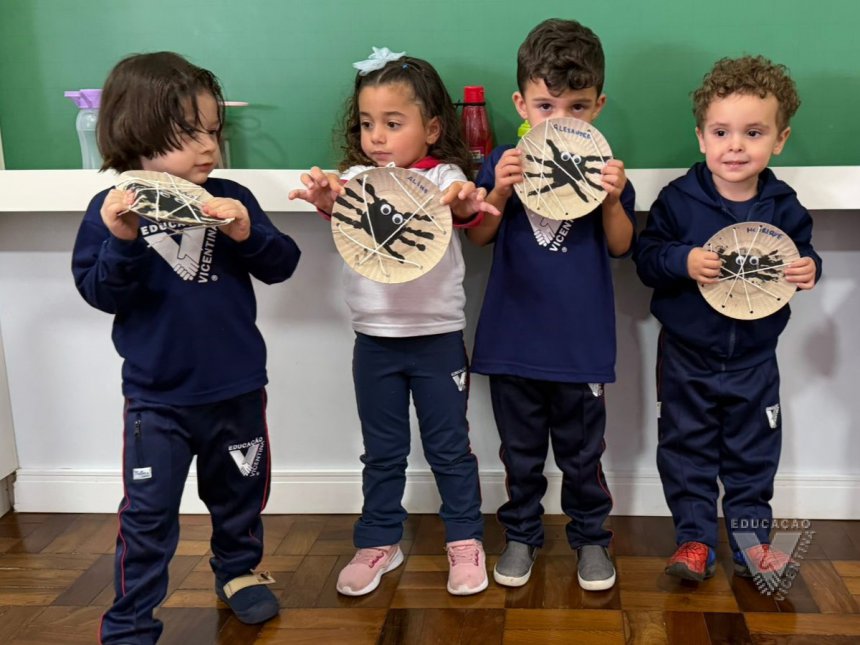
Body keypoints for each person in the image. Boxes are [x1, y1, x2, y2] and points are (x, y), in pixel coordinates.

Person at [71, 52, 301, 644]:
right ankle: (131, 618)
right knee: (148, 515)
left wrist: (246, 232)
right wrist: (123, 242)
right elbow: (100, 293)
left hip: (236, 390)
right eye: (190, 133)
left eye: (214, 131)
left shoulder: (229, 195)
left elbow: (282, 265)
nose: (209, 147)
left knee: (240, 495)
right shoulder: (111, 211)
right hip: (157, 400)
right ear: (136, 132)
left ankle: (238, 572)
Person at [289, 47, 498, 597]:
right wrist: (325, 198)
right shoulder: (358, 177)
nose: (377, 136)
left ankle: (464, 539)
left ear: (432, 129)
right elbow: (341, 210)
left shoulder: (445, 176)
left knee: (449, 448)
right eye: (366, 124)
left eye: (392, 123)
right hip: (375, 340)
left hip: (438, 339)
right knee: (382, 451)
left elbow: (463, 208)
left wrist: (464, 201)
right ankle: (379, 540)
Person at [634, 55, 821, 582]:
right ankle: (693, 540)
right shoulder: (678, 200)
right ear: (701, 137)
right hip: (686, 355)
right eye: (721, 132)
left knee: (754, 452)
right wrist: (683, 261)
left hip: (755, 357)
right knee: (685, 448)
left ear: (779, 140)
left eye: (753, 133)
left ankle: (751, 545)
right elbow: (647, 259)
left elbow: (802, 255)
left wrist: (810, 268)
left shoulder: (783, 205)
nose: (735, 146)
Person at [466, 19, 635, 591]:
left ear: (598, 106)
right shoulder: (503, 162)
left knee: (583, 456)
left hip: (580, 347)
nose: (561, 118)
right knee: (520, 454)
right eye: (545, 106)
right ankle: (521, 535)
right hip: (513, 342)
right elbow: (479, 238)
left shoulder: (606, 170)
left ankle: (591, 539)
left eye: (578, 107)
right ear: (521, 104)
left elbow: (621, 247)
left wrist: (611, 199)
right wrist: (498, 189)